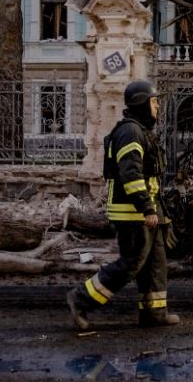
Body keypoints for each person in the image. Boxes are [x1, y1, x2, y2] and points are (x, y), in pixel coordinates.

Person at [66, 80, 180, 329]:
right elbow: (131, 174)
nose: (158, 106)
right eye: (153, 101)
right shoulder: (130, 132)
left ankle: (154, 314)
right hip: (133, 213)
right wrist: (146, 209)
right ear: (141, 103)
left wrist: (155, 211)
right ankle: (81, 299)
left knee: (155, 264)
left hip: (148, 210)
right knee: (132, 263)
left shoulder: (140, 130)